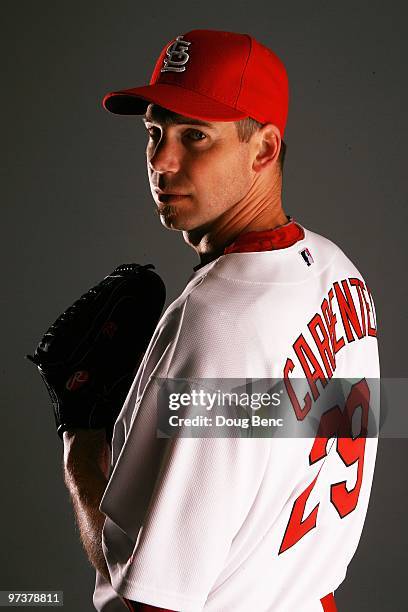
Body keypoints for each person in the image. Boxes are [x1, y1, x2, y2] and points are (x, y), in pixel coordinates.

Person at [63, 29, 380, 611]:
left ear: (263, 150)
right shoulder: (342, 274)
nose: (162, 161)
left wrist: (82, 443)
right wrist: (168, 408)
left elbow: (151, 602)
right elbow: (266, 420)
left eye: (195, 136)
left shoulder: (216, 321)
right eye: (154, 133)